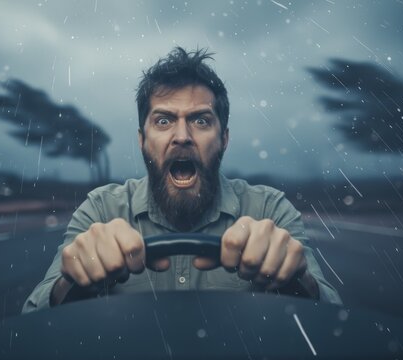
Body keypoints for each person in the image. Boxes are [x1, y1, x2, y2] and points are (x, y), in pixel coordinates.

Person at [22, 47, 341, 313]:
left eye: (201, 120)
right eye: (163, 120)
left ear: (224, 139)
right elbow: (33, 321)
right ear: (142, 140)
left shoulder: (269, 208)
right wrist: (72, 280)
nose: (182, 137)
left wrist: (297, 277)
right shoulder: (102, 208)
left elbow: (331, 316)